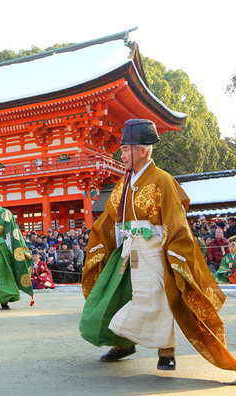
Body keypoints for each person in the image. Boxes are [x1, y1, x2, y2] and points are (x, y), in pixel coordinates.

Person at [79, 119, 236, 372]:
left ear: (143, 151)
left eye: (126, 149)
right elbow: (109, 218)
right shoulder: (124, 183)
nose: (122, 153)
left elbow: (175, 219)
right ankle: (122, 344)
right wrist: (105, 242)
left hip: (154, 249)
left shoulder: (162, 180)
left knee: (160, 298)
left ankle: (166, 351)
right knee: (118, 294)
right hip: (127, 250)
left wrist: (168, 245)